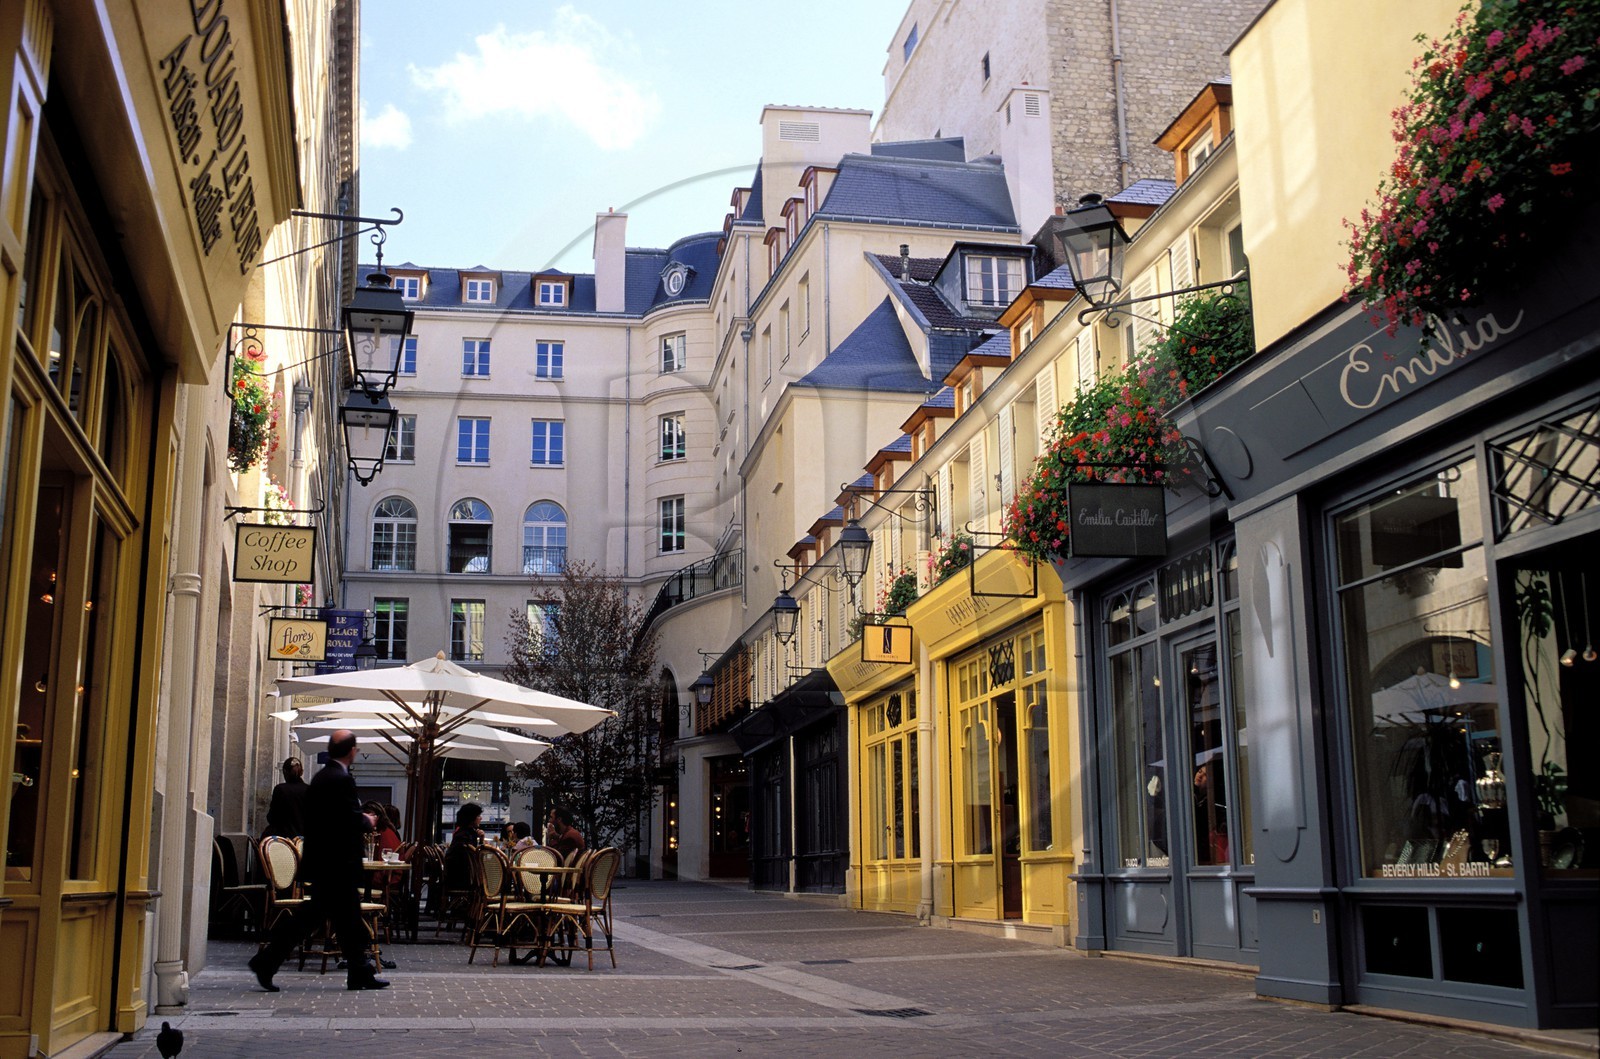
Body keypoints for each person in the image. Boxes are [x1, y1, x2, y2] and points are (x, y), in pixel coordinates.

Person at [249, 731, 390, 991]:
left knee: (340, 917)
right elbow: (346, 818)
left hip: (326, 862)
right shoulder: (341, 779)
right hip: (338, 863)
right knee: (322, 917)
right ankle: (267, 961)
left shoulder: (322, 777)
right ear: (351, 751)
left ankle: (358, 970)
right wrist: (366, 820)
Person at [444, 802, 485, 894]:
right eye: (478, 816)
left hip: (455, 876)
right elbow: (477, 856)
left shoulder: (462, 833)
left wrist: (481, 839)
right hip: (462, 878)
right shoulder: (467, 835)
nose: (481, 818)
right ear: (471, 818)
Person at [264, 757, 309, 838]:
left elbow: (272, 817)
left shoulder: (280, 789)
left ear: (284, 772)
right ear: (302, 772)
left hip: (284, 839)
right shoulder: (309, 789)